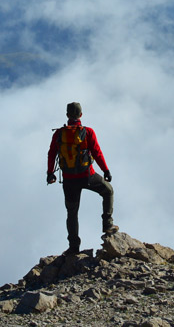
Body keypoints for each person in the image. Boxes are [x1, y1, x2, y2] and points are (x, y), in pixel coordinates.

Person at [47, 102, 117, 254]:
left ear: (67, 115)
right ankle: (107, 224)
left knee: (72, 213)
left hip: (68, 179)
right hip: (88, 176)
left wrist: (50, 173)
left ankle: (74, 247)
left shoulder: (59, 134)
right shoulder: (88, 132)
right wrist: (106, 170)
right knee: (108, 191)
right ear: (81, 115)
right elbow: (97, 152)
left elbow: (52, 153)